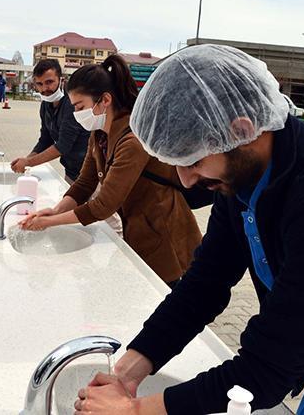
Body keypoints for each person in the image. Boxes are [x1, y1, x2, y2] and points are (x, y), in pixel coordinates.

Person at [73, 45, 304, 414]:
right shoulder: (242, 175)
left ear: (242, 130)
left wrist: (137, 410)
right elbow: (204, 285)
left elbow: (267, 370)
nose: (186, 179)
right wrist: (128, 372)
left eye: (192, 161)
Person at [19, 55, 209, 284]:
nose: (78, 114)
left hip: (163, 232)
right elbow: (84, 184)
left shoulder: (132, 140)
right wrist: (56, 210)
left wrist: (49, 222)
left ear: (104, 100)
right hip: (137, 229)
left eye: (80, 107)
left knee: (163, 296)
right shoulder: (99, 134)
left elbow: (103, 205)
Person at [11, 59, 90, 182]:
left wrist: (28, 162)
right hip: (71, 171)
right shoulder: (45, 105)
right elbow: (45, 139)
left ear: (60, 79)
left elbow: (63, 145)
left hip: (89, 173)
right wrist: (26, 160)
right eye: (39, 84)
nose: (44, 89)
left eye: (49, 82)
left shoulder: (71, 104)